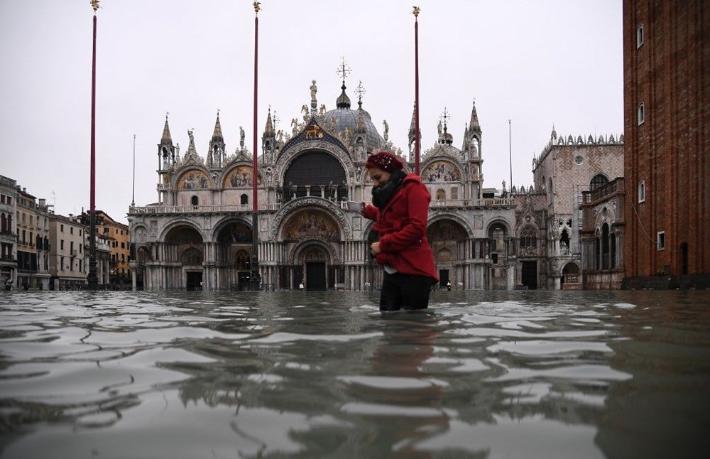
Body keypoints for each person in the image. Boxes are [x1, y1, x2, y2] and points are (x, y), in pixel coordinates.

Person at [362, 151, 438, 311]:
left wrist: (383, 245)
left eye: (378, 177)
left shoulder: (414, 188)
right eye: (372, 179)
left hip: (414, 270)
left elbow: (416, 228)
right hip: (393, 267)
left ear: (391, 172)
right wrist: (367, 211)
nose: (375, 184)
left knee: (413, 325)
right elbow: (393, 216)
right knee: (388, 321)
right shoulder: (392, 191)